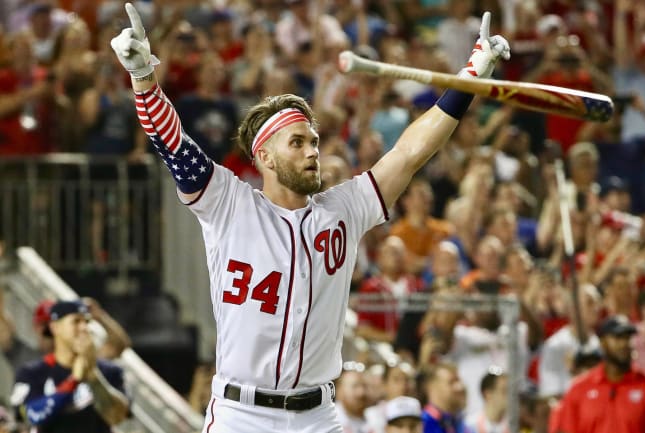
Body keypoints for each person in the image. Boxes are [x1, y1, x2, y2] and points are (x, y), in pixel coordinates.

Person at [109, 4, 510, 432]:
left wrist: (470, 76)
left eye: (314, 141)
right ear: (263, 156)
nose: (312, 151)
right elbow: (173, 143)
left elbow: (411, 152)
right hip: (242, 414)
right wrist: (144, 81)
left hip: (317, 416)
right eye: (296, 142)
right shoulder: (228, 203)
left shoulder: (345, 209)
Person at [9, 300, 129, 433]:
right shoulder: (32, 373)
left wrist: (92, 375)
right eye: (76, 321)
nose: (84, 327)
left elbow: (117, 417)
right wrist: (73, 380)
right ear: (55, 327)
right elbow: (28, 416)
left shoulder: (109, 370)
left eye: (87, 322)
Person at [553, 315, 645, 433]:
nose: (624, 344)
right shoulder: (580, 389)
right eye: (618, 338)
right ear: (603, 342)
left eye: (627, 338)